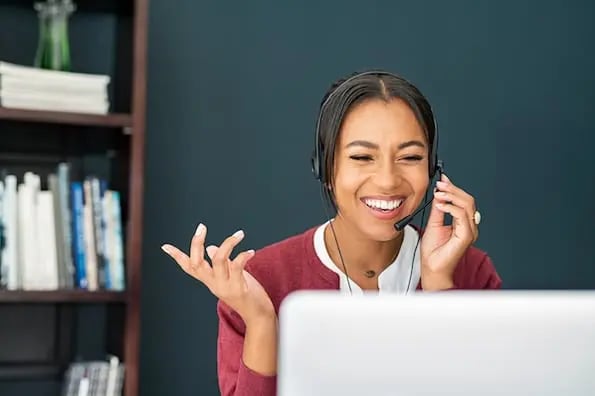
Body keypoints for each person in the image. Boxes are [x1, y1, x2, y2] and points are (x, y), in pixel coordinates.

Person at [161, 70, 502, 396]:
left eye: (410, 157)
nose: (387, 180)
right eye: (362, 156)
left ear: (432, 169)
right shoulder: (257, 281)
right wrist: (263, 322)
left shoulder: (471, 272)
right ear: (325, 167)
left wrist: (439, 284)